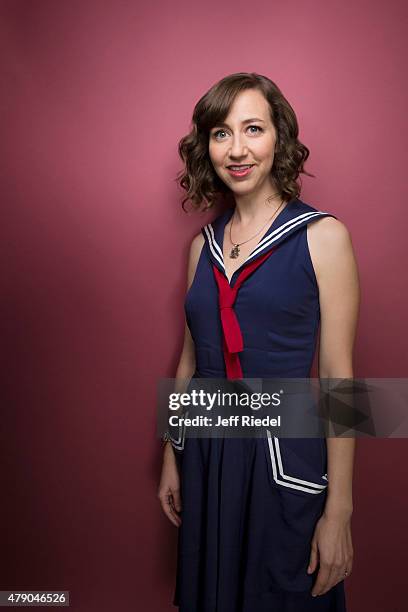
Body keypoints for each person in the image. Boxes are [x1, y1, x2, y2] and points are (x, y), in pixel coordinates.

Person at [158, 72, 359, 612]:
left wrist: (339, 510)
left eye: (253, 128)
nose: (238, 149)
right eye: (222, 133)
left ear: (280, 138)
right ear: (206, 146)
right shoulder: (201, 248)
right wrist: (171, 455)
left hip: (283, 458)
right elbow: (189, 360)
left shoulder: (324, 238)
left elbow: (342, 383)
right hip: (207, 454)